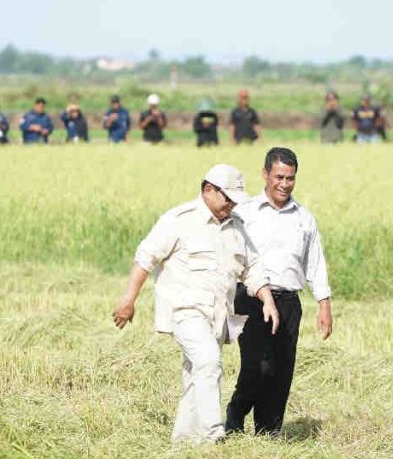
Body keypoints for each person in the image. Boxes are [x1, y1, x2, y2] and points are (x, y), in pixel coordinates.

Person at [112, 164, 279, 444]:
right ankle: (213, 435)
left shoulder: (237, 226)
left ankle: (185, 442)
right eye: (227, 198)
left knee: (196, 375)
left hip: (219, 316)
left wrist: (268, 301)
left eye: (235, 200)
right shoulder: (178, 220)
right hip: (185, 311)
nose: (231, 205)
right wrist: (128, 300)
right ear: (208, 190)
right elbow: (146, 258)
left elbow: (252, 269)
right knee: (209, 362)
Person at [227, 147, 332, 437]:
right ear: (265, 175)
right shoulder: (244, 213)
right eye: (279, 177)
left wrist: (324, 304)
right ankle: (234, 419)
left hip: (288, 303)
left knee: (281, 371)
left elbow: (315, 262)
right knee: (258, 367)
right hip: (251, 299)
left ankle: (268, 433)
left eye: (290, 178)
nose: (285, 184)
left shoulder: (304, 218)